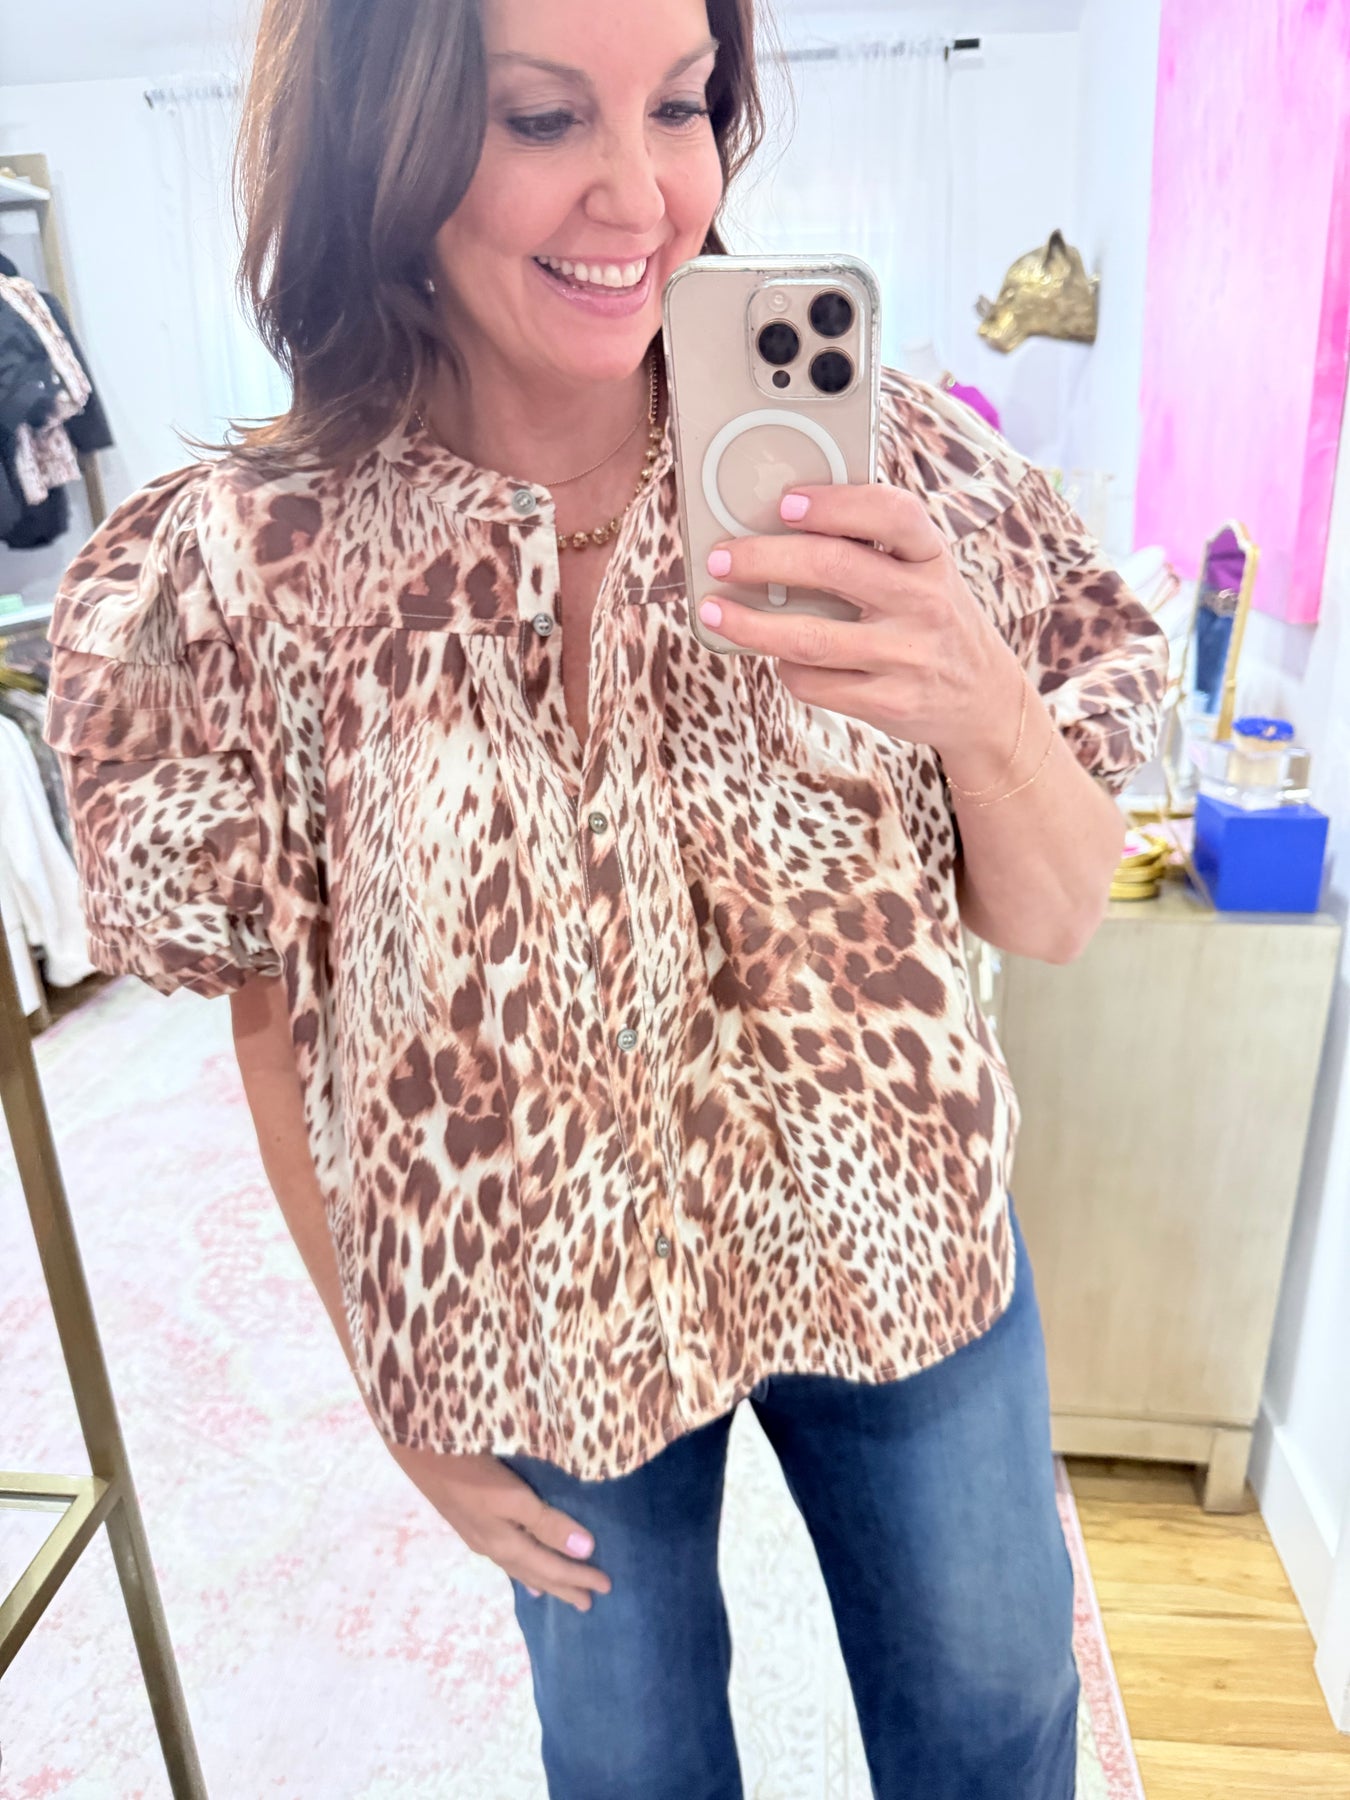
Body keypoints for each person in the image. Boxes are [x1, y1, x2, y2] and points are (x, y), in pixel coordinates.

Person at [43, 0, 1168, 1794]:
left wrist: (974, 694)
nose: (642, 195)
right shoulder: (258, 564)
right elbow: (280, 1029)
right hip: (535, 1302)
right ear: (384, 141)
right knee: (630, 1764)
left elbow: (1052, 916)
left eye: (684, 104)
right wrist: (394, 1388)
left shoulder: (887, 465)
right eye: (542, 116)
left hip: (900, 1250)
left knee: (988, 1730)